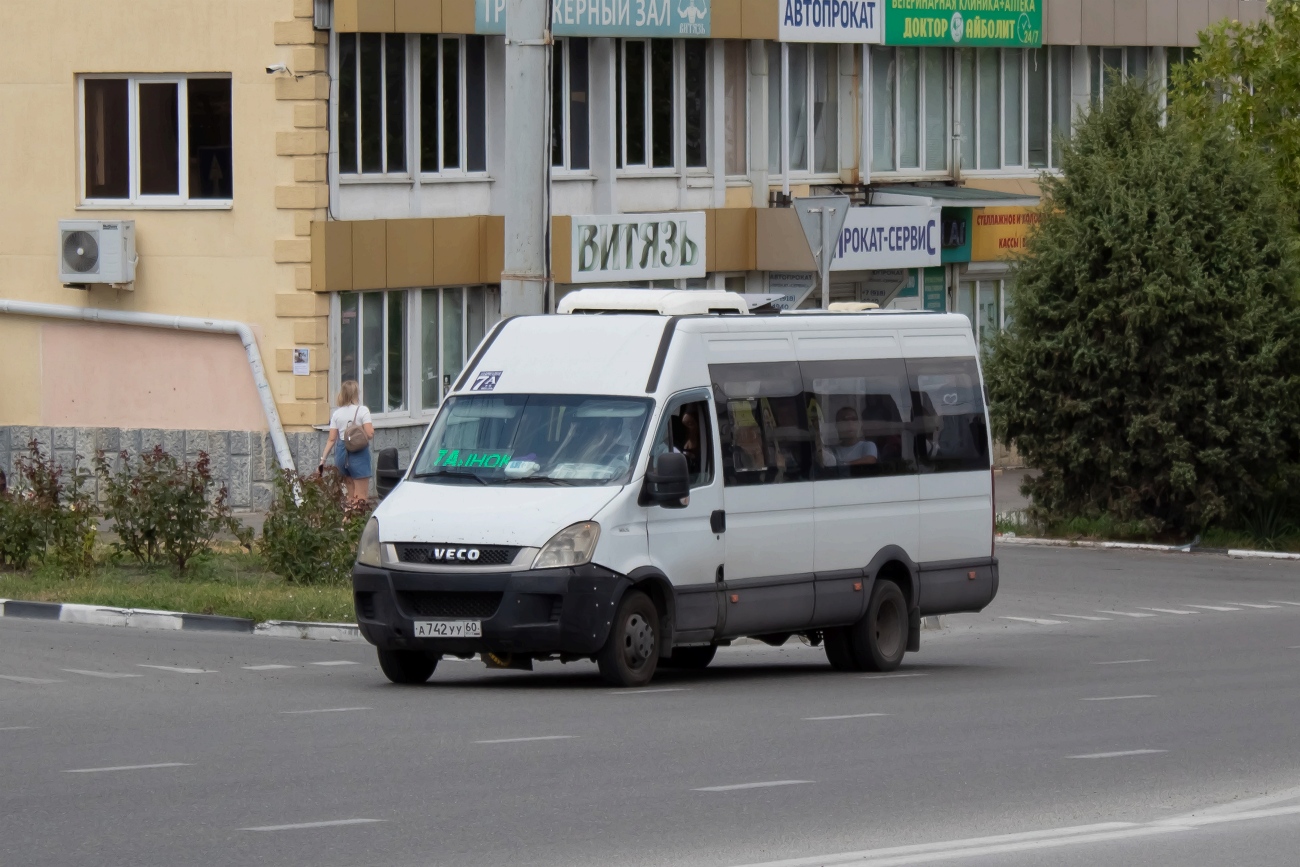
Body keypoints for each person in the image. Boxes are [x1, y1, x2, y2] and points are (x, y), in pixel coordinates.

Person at [320, 380, 375, 504]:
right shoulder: (362, 410)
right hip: (358, 454)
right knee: (361, 498)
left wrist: (322, 461)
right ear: (356, 394)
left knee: (350, 497)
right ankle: (354, 523)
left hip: (341, 455)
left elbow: (332, 439)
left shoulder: (336, 414)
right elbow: (370, 433)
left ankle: (347, 521)